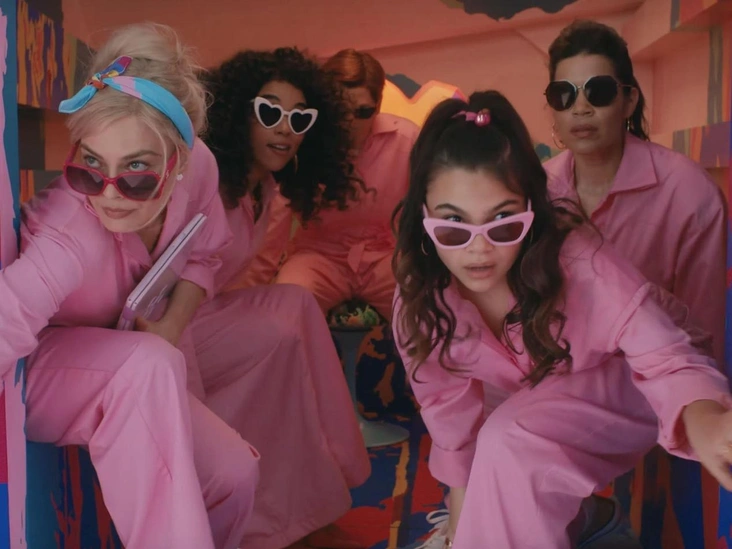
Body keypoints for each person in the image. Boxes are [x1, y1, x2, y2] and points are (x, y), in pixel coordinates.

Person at [392, 90, 731, 549]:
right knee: (496, 442)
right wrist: (459, 519)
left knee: (511, 438)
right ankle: (581, 519)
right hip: (543, 387)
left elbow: (663, 354)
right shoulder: (422, 299)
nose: (478, 249)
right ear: (423, 218)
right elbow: (449, 414)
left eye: (503, 222)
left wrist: (704, 415)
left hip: (631, 379)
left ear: (531, 213)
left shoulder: (580, 263)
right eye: (453, 226)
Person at [2, 24, 259, 549]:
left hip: (142, 359)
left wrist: (171, 325)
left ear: (179, 161)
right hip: (38, 372)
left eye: (137, 170)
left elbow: (203, 255)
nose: (108, 194)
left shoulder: (201, 170)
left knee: (233, 474)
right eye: (90, 166)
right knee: (148, 363)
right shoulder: (66, 235)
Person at [543, 19, 728, 547]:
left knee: (516, 443)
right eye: (564, 94)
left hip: (650, 376)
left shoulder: (688, 192)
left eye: (598, 91)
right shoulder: (540, 188)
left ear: (628, 99)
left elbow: (701, 335)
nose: (580, 108)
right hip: (553, 368)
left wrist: (626, 300)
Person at [196, 47, 371, 549]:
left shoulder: (264, 189)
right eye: (270, 112)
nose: (285, 129)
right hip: (170, 334)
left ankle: (329, 473)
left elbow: (249, 276)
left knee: (293, 305)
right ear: (238, 114)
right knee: (280, 331)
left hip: (205, 319)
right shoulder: (208, 182)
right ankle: (292, 508)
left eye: (299, 118)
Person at [271, 48, 419, 321]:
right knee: (287, 309)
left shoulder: (406, 139)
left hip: (386, 256)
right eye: (341, 110)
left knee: (426, 308)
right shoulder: (303, 142)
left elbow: (431, 207)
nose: (350, 121)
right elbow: (274, 217)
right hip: (317, 256)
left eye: (363, 111)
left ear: (378, 105)